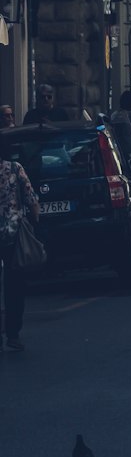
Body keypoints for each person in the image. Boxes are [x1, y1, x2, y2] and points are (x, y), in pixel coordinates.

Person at [0, 146, 38, 351]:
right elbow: (31, 199)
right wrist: (35, 222)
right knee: (14, 287)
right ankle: (13, 333)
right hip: (13, 235)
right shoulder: (15, 169)